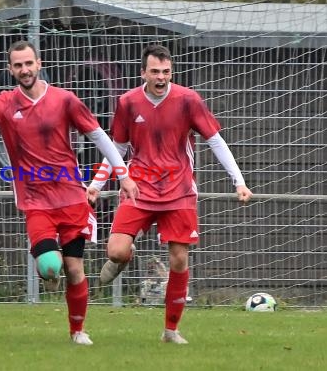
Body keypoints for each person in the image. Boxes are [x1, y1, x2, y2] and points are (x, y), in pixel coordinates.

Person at [0, 40, 138, 345]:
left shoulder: (65, 100)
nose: (24, 70)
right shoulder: (3, 104)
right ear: (10, 69)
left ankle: (78, 331)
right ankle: (46, 270)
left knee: (75, 269)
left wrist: (124, 176)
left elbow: (100, 137)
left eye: (28, 63)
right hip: (36, 202)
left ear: (39, 64)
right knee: (52, 267)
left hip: (71, 198)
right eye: (18, 65)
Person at [87, 44, 253, 344]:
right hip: (139, 188)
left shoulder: (188, 100)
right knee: (116, 252)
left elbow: (215, 140)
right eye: (155, 72)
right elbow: (119, 149)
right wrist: (97, 185)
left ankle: (171, 330)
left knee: (179, 259)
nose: (161, 77)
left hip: (179, 191)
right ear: (143, 73)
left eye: (166, 72)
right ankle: (126, 255)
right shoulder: (128, 102)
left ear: (171, 72)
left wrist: (238, 181)